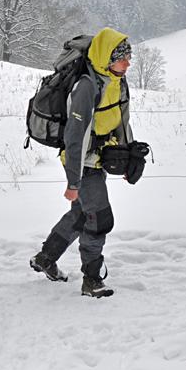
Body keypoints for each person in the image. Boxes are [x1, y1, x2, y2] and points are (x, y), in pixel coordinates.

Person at [30, 28, 140, 298]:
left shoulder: (116, 81)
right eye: (122, 58)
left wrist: (128, 158)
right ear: (107, 58)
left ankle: (46, 257)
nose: (127, 64)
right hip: (81, 162)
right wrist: (73, 182)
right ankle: (91, 280)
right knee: (100, 219)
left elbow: (121, 121)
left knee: (81, 214)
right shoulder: (86, 86)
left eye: (128, 58)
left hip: (99, 158)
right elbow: (74, 137)